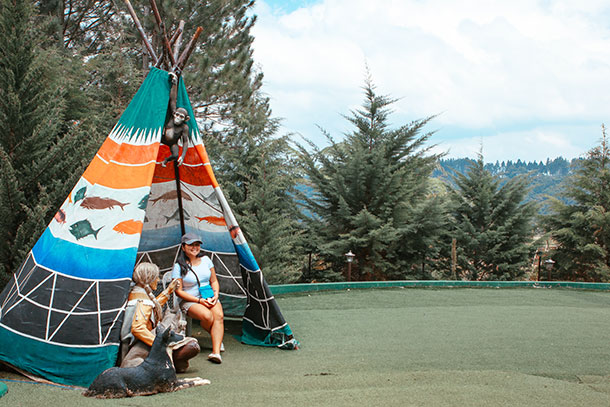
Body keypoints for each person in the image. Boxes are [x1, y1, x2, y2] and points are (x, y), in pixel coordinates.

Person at [120, 262, 200, 372]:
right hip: (137, 346)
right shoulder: (142, 301)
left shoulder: (137, 294)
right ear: (149, 278)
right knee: (191, 344)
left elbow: (153, 306)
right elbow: (138, 329)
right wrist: (161, 345)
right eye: (156, 277)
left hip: (137, 343)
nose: (158, 280)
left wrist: (168, 290)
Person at [172, 232, 225, 364]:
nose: (194, 247)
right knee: (208, 316)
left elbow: (214, 281)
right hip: (190, 300)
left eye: (197, 245)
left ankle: (216, 352)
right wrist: (198, 300)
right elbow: (178, 291)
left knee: (219, 316)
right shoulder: (179, 266)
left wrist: (216, 294)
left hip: (209, 296)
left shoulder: (206, 260)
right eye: (191, 245)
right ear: (183, 247)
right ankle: (217, 335)